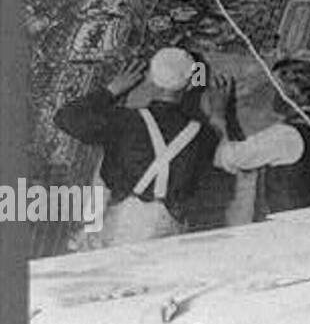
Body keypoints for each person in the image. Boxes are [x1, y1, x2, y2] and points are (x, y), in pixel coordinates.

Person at [53, 48, 217, 245]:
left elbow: (65, 117)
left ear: (150, 78)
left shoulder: (124, 120)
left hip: (116, 225)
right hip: (165, 231)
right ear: (191, 84)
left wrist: (112, 89)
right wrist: (218, 116)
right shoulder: (204, 135)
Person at [206, 59, 310, 219]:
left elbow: (226, 157)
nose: (271, 94)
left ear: (291, 94)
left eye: (275, 88)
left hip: (282, 228)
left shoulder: (285, 136)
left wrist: (218, 114)